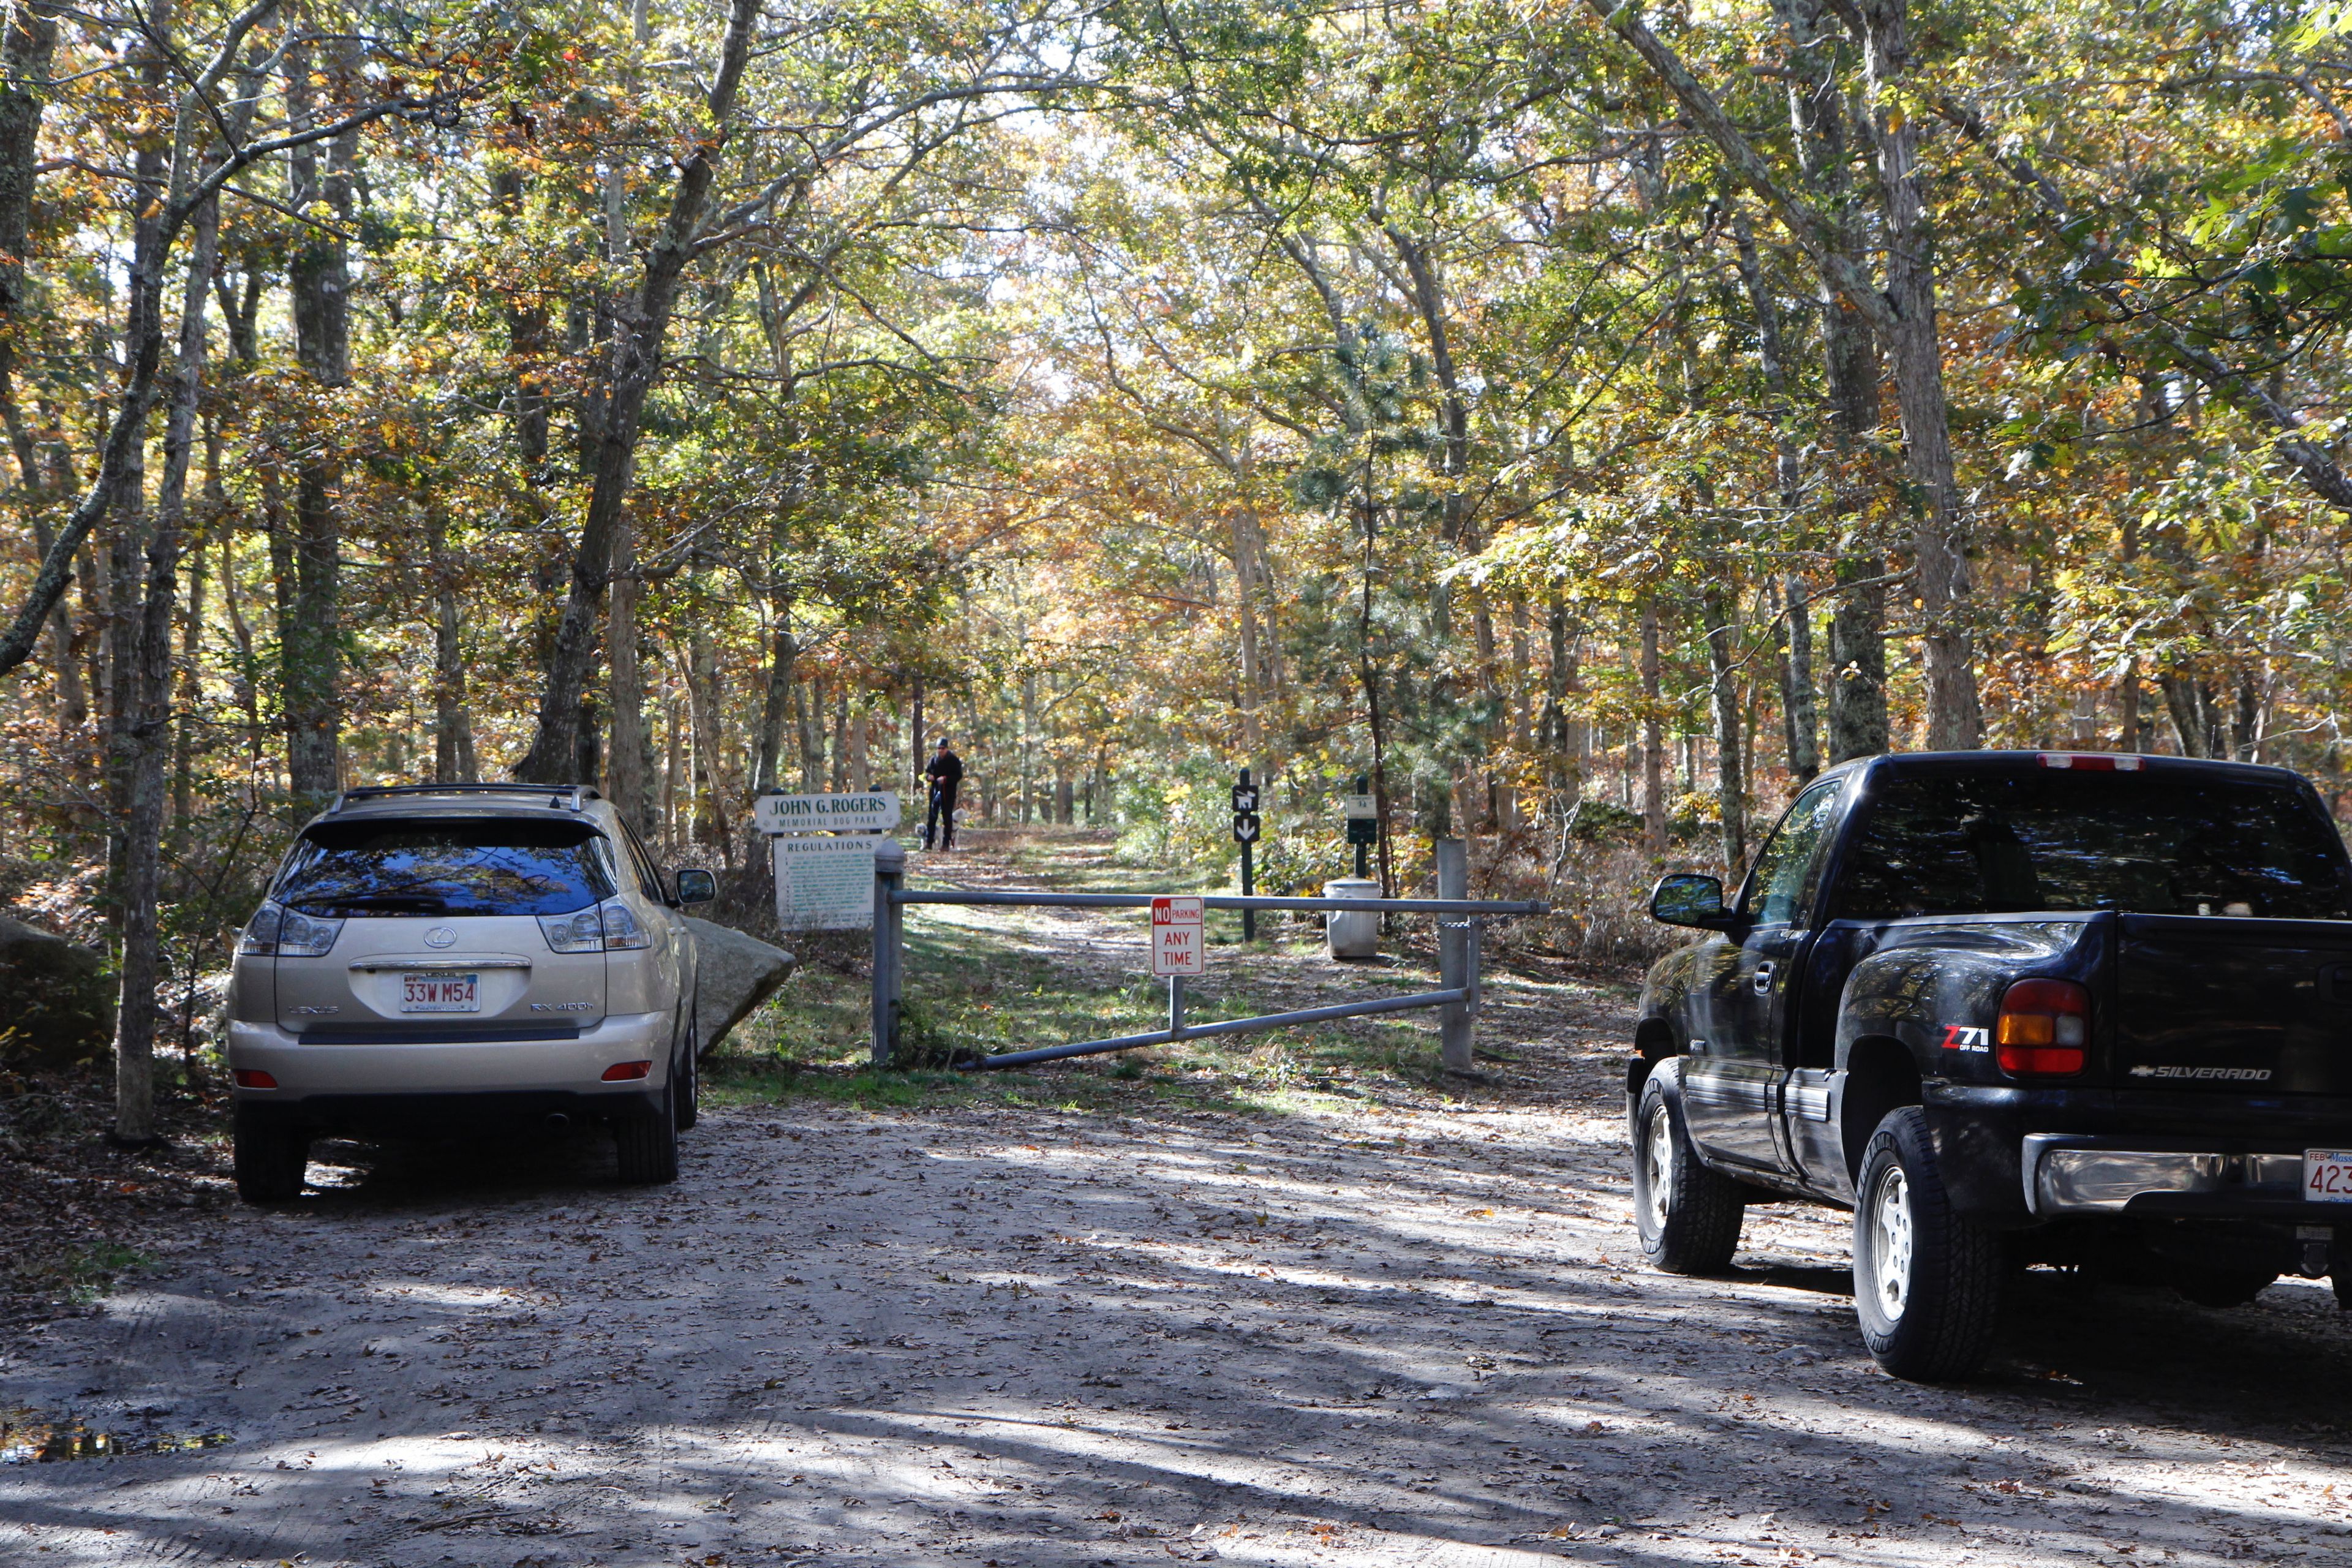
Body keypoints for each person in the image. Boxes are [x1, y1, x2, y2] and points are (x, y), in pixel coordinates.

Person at [923, 737, 964, 851]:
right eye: (939, 748)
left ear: (947, 748)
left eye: (943, 748)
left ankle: (946, 843)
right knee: (932, 817)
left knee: (947, 818)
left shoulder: (954, 760)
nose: (941, 750)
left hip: (948, 792)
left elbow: (958, 776)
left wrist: (946, 779)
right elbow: (926, 773)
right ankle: (929, 842)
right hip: (935, 792)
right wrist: (928, 777)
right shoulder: (933, 760)